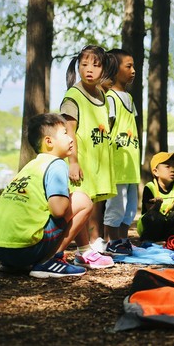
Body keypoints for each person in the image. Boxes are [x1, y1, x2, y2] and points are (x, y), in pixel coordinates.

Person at [0, 113, 93, 278]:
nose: (71, 138)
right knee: (83, 200)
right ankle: (50, 260)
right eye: (65, 133)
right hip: (24, 248)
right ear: (49, 141)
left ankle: (14, 265)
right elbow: (58, 210)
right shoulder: (56, 165)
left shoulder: (31, 166)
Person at [59, 45, 115, 269]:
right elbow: (68, 131)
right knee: (81, 205)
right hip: (80, 161)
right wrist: (73, 161)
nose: (89, 69)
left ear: (104, 69)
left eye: (95, 64)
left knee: (92, 205)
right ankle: (80, 250)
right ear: (78, 66)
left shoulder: (102, 94)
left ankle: (89, 248)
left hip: (97, 161)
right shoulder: (73, 96)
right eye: (84, 64)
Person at [102, 49, 140, 255]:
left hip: (131, 162)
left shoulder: (129, 98)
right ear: (115, 69)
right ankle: (111, 241)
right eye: (128, 66)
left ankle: (123, 239)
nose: (133, 70)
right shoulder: (110, 98)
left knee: (130, 206)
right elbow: (107, 127)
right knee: (116, 204)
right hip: (117, 163)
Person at [137, 151, 174, 242]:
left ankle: (173, 240)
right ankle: (149, 241)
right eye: (167, 167)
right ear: (155, 172)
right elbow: (150, 213)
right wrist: (157, 205)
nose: (172, 170)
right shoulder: (150, 187)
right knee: (154, 216)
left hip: (168, 224)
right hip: (153, 227)